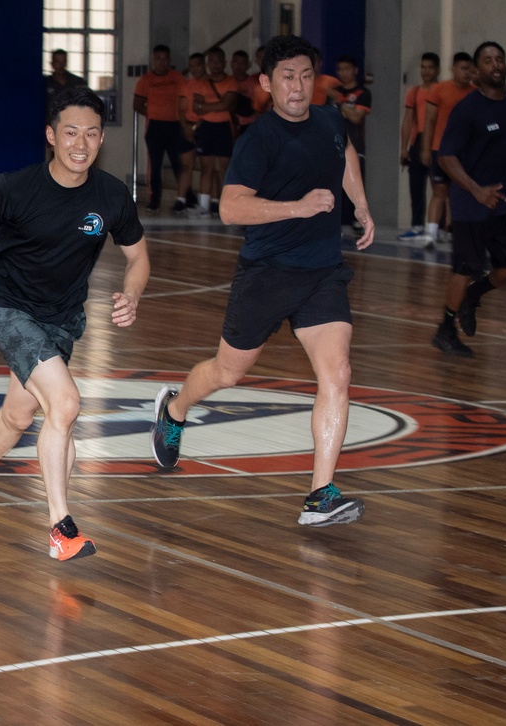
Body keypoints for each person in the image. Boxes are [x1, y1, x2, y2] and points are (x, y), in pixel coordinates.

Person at [0, 86, 150, 561]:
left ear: (102, 139)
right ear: (51, 136)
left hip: (62, 322)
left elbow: (138, 255)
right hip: (10, 311)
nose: (80, 144)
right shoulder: (10, 189)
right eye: (70, 133)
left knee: (19, 416)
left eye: (91, 134)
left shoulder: (111, 197)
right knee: (64, 404)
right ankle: (60, 528)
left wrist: (133, 293)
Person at [149, 34, 375, 528]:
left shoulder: (330, 119)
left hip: (322, 272)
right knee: (228, 372)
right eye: (287, 77)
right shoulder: (258, 139)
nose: (298, 86)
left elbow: (347, 154)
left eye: (306, 76)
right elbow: (231, 208)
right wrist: (299, 207)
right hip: (267, 273)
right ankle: (176, 408)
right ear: (266, 84)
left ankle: (321, 495)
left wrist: (357, 202)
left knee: (337, 373)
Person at [431, 42, 506, 357]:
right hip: (472, 204)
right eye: (488, 60)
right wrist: (475, 189)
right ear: (477, 71)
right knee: (465, 268)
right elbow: (446, 157)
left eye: (499, 59)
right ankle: (445, 331)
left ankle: (474, 294)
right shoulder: (468, 109)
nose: (495, 64)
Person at [421, 52, 476, 247]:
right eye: (463, 68)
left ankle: (454, 230)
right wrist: (426, 149)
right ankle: (431, 233)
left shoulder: (474, 93)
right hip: (440, 149)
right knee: (439, 191)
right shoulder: (439, 90)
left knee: (462, 192)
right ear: (453, 69)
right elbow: (429, 120)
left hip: (464, 153)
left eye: (470, 69)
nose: (466, 72)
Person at [186, 47, 239, 218]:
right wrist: (217, 106)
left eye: (218, 61)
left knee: (224, 169)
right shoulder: (202, 83)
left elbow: (227, 104)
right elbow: (196, 107)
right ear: (208, 64)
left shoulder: (231, 82)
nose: (215, 64)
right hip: (206, 128)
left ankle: (226, 206)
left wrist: (207, 106)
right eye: (212, 61)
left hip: (224, 127)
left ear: (224, 62)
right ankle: (204, 207)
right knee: (206, 168)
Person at [134, 45, 187, 211]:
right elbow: (137, 104)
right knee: (155, 164)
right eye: (158, 58)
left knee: (179, 163)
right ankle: (154, 199)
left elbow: (186, 99)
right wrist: (153, 114)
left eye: (165, 58)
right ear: (153, 60)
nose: (161, 62)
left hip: (175, 126)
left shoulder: (178, 78)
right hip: (155, 126)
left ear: (169, 60)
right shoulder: (146, 80)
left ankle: (184, 199)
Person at [398, 52, 440, 245]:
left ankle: (438, 228)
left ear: (437, 69)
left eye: (430, 67)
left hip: (437, 141)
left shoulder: (441, 91)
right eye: (423, 67)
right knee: (416, 185)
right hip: (418, 141)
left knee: (439, 187)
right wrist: (404, 148)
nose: (426, 71)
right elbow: (408, 121)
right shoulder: (414, 92)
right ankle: (416, 225)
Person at [326, 55, 371, 231]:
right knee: (333, 184)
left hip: (354, 145)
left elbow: (357, 117)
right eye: (340, 69)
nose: (343, 73)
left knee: (354, 183)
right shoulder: (333, 91)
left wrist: (339, 102)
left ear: (355, 70)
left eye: (347, 69)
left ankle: (356, 219)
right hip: (332, 146)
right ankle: (334, 221)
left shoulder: (363, 93)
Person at [174, 52, 207, 215]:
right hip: (187, 126)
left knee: (207, 167)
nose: (195, 69)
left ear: (204, 65)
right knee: (186, 165)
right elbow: (181, 109)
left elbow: (209, 109)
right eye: (192, 66)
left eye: (198, 65)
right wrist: (187, 127)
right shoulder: (186, 85)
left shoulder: (209, 84)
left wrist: (198, 124)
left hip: (206, 126)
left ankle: (207, 202)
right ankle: (181, 199)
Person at [45, 49, 87, 119]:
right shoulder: (45, 83)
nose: (61, 66)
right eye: (57, 62)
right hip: (49, 122)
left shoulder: (78, 82)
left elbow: (86, 104)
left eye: (63, 62)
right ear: (52, 64)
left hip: (73, 121)